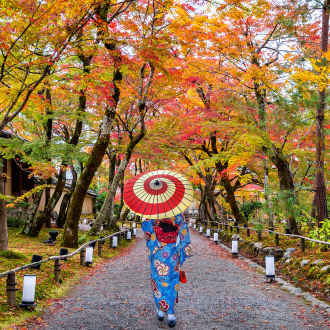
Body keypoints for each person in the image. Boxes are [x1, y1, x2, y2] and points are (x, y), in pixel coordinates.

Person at [142, 213, 193, 328]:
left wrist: (155, 243)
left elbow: (147, 229)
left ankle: (161, 311)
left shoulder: (151, 213)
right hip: (173, 251)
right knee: (172, 280)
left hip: (158, 250)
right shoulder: (177, 212)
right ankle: (170, 314)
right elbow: (183, 229)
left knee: (158, 280)